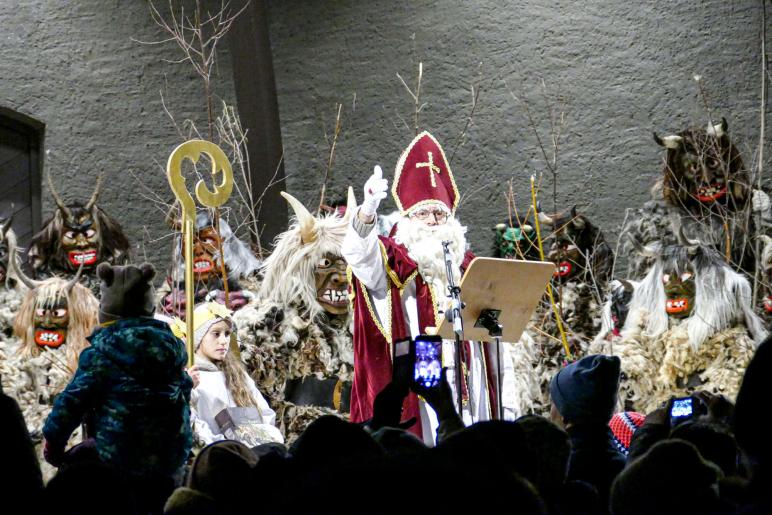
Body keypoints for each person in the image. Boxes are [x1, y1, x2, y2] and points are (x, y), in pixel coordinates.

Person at [342, 131, 510, 442]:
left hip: (470, 385)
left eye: (440, 213)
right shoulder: (395, 262)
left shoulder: (467, 267)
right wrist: (367, 211)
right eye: (423, 213)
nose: (433, 221)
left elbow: (494, 331)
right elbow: (357, 255)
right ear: (406, 217)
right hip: (419, 380)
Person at [42, 262, 192, 515]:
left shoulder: (101, 354)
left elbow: (71, 403)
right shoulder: (173, 350)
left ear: (106, 311)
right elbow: (184, 395)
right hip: (170, 462)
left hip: (117, 462)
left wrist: (53, 446)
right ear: (150, 308)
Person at [182, 302, 283, 447]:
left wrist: (264, 438)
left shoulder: (238, 375)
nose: (223, 341)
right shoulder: (192, 379)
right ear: (198, 337)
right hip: (218, 454)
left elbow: (265, 414)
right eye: (216, 334)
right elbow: (193, 428)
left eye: (227, 334)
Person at [549, 354, 625, 508]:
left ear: (565, 414)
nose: (549, 411)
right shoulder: (625, 468)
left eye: (553, 403)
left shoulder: (558, 473)